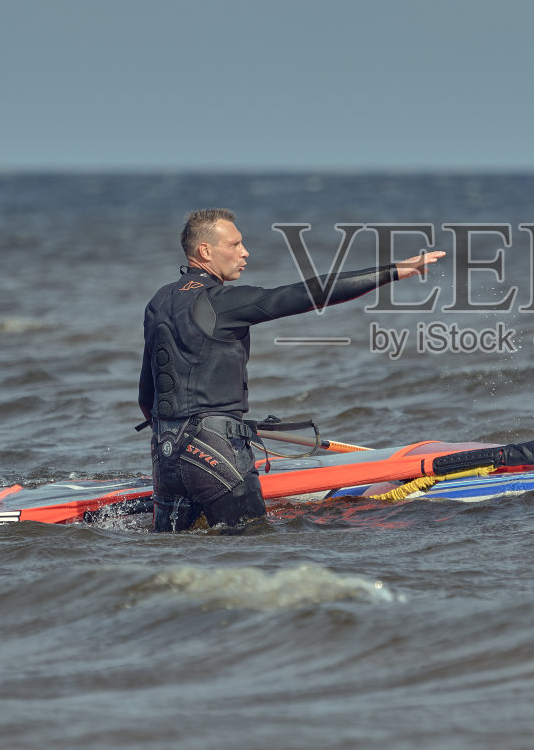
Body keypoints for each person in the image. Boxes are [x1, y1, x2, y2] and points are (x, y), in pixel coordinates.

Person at [139, 208, 443, 533]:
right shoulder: (221, 301)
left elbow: (147, 395)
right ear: (205, 251)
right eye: (235, 244)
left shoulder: (158, 303)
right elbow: (305, 293)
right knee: (253, 552)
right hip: (218, 451)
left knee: (171, 556)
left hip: (165, 455)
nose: (245, 252)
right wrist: (394, 271)